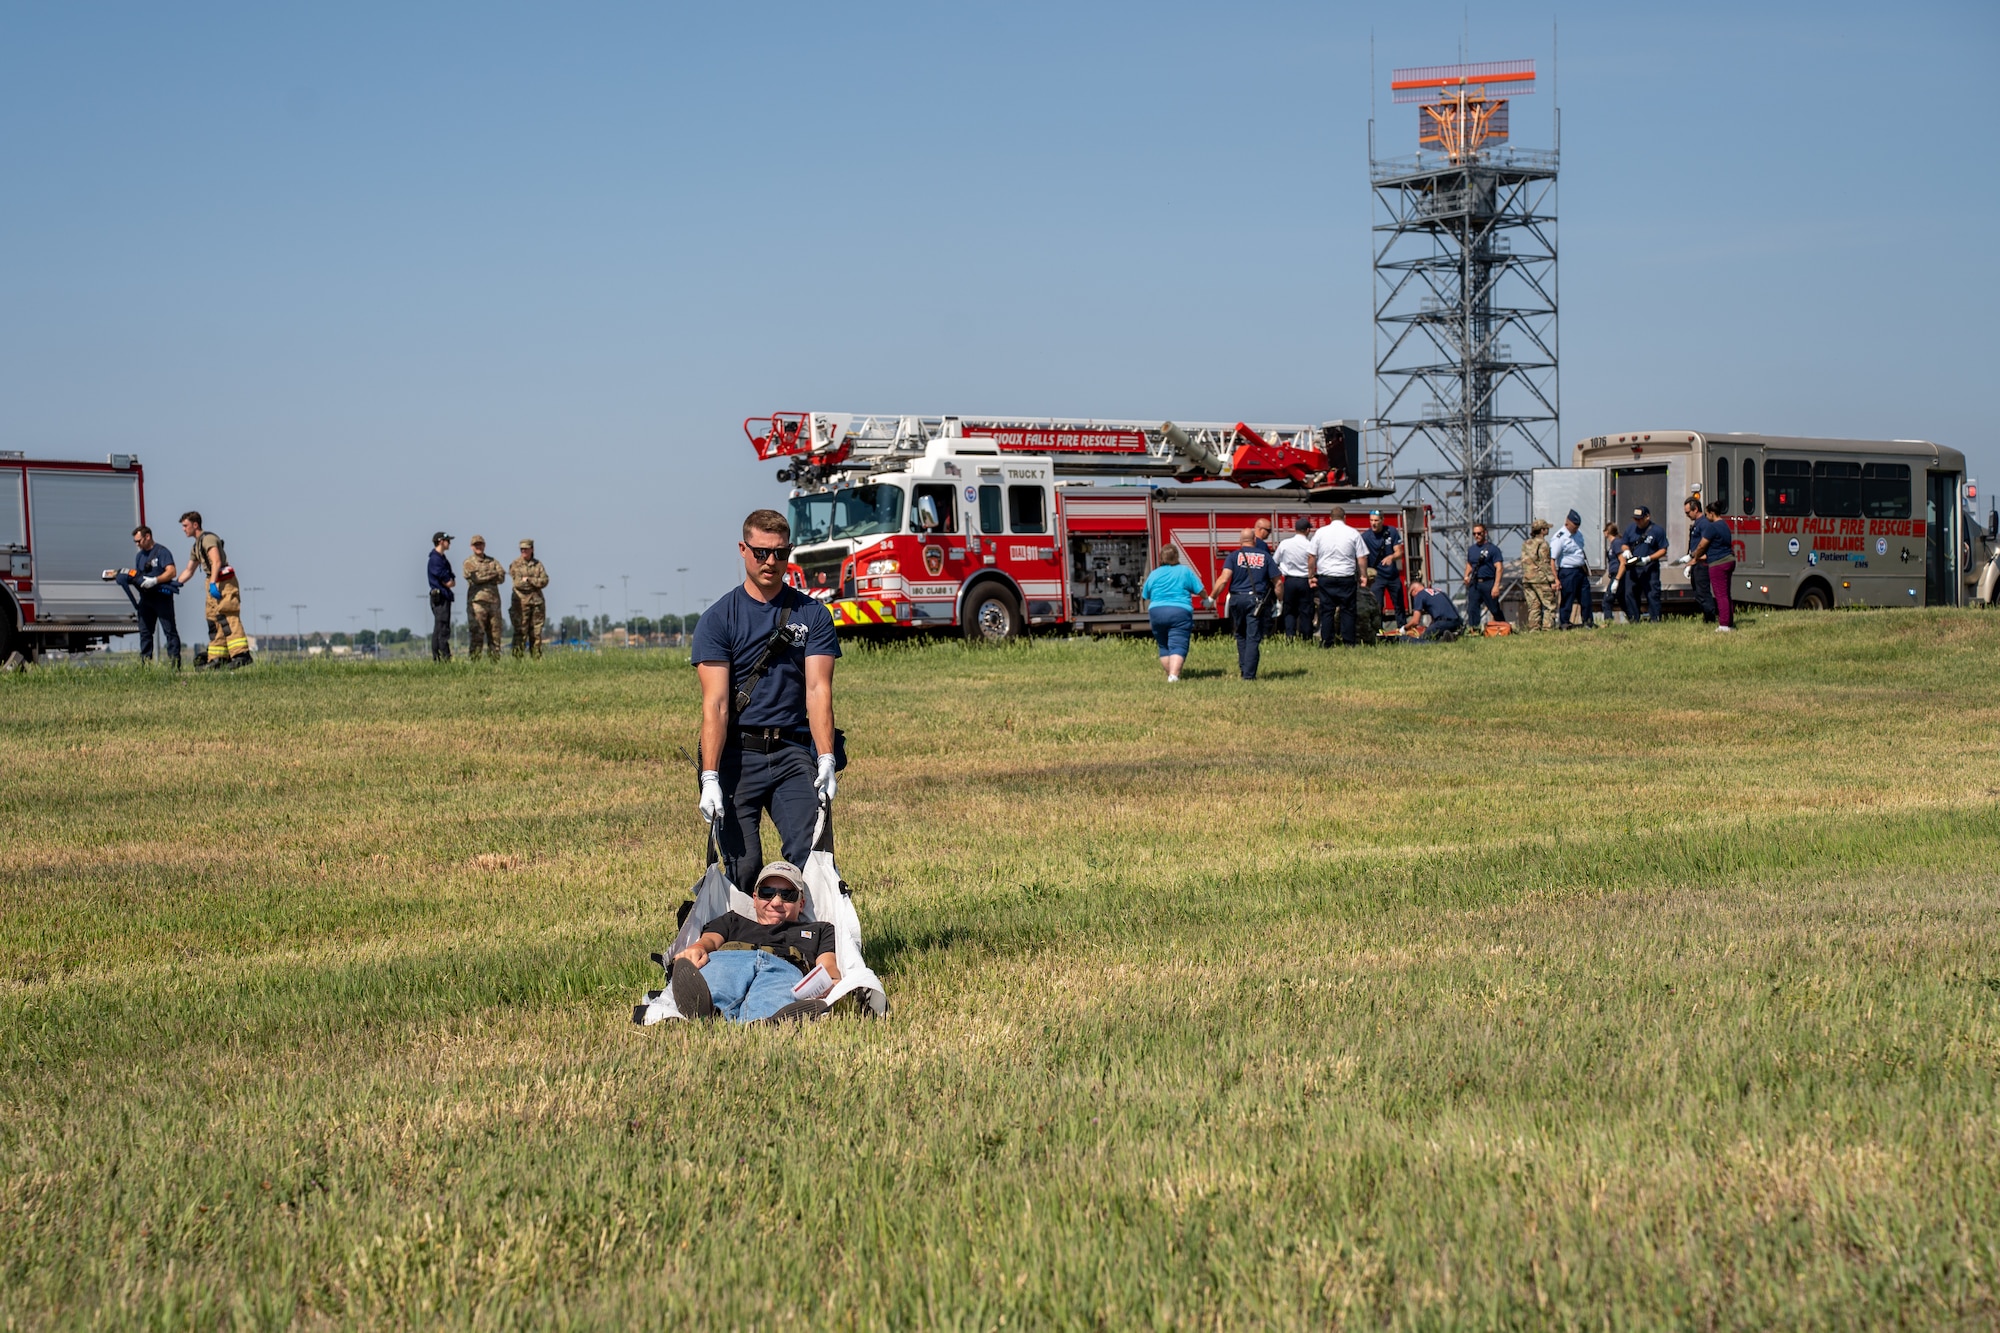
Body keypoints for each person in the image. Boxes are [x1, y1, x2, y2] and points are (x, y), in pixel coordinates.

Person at [692, 509, 841, 892]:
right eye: (760, 552)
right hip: (736, 756)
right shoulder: (719, 618)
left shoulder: (812, 614)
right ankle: (750, 947)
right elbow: (717, 705)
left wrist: (825, 757)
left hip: (792, 751)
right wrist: (710, 777)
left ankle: (811, 948)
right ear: (743, 549)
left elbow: (818, 690)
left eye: (779, 552)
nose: (770, 562)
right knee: (744, 868)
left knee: (812, 858)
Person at [669, 861, 840, 1024]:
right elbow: (709, 941)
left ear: (801, 904)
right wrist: (697, 948)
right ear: (755, 899)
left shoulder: (820, 929)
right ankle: (708, 1013)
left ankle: (762, 1022)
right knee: (717, 989)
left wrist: (832, 981)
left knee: (772, 1002)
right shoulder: (731, 920)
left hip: (784, 967)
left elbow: (828, 964)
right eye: (767, 893)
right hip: (730, 960)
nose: (776, 902)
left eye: (788, 895)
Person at [176, 512, 250, 668]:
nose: (183, 529)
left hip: (222, 581)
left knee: (228, 615)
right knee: (214, 620)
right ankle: (218, 657)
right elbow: (189, 570)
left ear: (195, 525)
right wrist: (175, 584)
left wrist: (213, 583)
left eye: (185, 525)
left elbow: (216, 562)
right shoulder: (196, 546)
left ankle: (241, 654)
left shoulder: (208, 539)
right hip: (212, 580)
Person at [1210, 526, 1273, 680]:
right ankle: (1249, 675)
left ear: (1240, 541)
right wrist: (1280, 599)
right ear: (1254, 540)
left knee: (1240, 635)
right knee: (1253, 637)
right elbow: (1277, 582)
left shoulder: (1233, 557)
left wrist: (1211, 597)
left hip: (1236, 600)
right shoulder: (1265, 556)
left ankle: (1244, 669)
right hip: (1255, 600)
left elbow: (1224, 579)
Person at [1140, 545, 1204, 681]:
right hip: (1179, 611)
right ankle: (1174, 676)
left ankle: (1171, 675)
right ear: (1177, 556)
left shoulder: (1154, 573)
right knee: (1178, 644)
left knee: (1163, 645)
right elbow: (1200, 590)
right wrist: (1207, 599)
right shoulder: (1184, 571)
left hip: (1156, 612)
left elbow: (1145, 594)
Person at [1309, 506, 1369, 647]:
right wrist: (1363, 575)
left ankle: (1327, 642)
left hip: (1326, 577)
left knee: (1327, 611)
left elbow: (1311, 556)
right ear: (1344, 517)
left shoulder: (1320, 533)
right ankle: (1349, 642)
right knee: (1348, 611)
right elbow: (1362, 557)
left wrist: (1311, 575)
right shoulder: (1353, 533)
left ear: (1330, 518)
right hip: (1346, 577)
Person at [123, 525, 181, 666]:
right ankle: (145, 665)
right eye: (135, 542)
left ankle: (174, 665)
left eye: (139, 541)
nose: (137, 544)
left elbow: (172, 572)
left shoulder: (162, 552)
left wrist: (155, 580)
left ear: (147, 536)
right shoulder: (139, 556)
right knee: (145, 633)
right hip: (146, 599)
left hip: (161, 598)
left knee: (169, 631)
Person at [461, 535, 507, 660]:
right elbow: (476, 578)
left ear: (484, 545)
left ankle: (494, 662)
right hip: (477, 604)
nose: (479, 547)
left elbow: (502, 576)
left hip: (494, 603)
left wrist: (487, 575)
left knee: (495, 635)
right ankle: (475, 663)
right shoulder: (468, 562)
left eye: (480, 544)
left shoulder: (492, 561)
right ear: (471, 547)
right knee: (477, 634)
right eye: (476, 545)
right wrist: (493, 574)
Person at [1621, 506, 1668, 622]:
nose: (1637, 521)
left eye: (1640, 519)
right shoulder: (1631, 529)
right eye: (1635, 519)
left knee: (1652, 594)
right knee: (1630, 594)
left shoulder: (1657, 530)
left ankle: (1655, 619)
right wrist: (1626, 550)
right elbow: (1624, 543)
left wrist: (1648, 558)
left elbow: (1663, 549)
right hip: (1633, 569)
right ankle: (1634, 619)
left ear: (1647, 517)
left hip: (1649, 569)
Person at [1550, 509, 1595, 629]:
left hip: (1580, 570)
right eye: (1574, 526)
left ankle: (1588, 621)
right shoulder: (1560, 537)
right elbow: (1552, 560)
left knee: (1585, 597)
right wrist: (1556, 579)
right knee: (1568, 598)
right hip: (1567, 572)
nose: (1576, 528)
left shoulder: (1578, 534)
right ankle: (1564, 622)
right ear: (1567, 523)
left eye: (1578, 526)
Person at [1362, 510, 1406, 628]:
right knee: (1377, 605)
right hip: (1377, 577)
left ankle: (1403, 629)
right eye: (1371, 520)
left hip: (1392, 575)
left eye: (1376, 520)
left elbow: (1399, 552)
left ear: (1382, 520)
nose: (1373, 523)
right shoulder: (1365, 537)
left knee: (1399, 604)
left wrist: (1391, 557)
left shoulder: (1391, 532)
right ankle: (1378, 631)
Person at [1274, 517, 1315, 641]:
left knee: (1289, 610)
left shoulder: (1285, 543)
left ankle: (1290, 636)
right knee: (1306, 611)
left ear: (1295, 529)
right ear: (1307, 530)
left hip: (1289, 581)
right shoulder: (1310, 545)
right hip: (1305, 581)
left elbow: (1275, 561)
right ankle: (1306, 637)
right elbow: (1313, 563)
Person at [1699, 499, 1737, 632]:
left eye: (1706, 514)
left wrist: (1695, 555)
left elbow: (1702, 544)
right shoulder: (1725, 525)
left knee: (1720, 595)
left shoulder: (1712, 527)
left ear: (1711, 513)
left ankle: (1724, 625)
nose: (1706, 517)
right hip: (1729, 560)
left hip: (1718, 563)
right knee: (1726, 593)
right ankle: (1729, 622)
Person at [509, 540, 550, 658]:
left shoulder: (538, 565)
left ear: (532, 549)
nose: (523, 551)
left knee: (536, 633)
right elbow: (518, 584)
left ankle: (536, 659)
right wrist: (535, 582)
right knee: (520, 632)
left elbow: (545, 581)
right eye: (521, 549)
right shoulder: (516, 564)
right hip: (521, 604)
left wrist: (529, 579)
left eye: (526, 549)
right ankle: (517, 660)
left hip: (537, 603)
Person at [1462, 524, 1505, 631]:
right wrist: (1466, 576)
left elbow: (1499, 568)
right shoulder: (1472, 550)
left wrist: (1496, 586)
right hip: (1475, 584)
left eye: (1479, 533)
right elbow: (1469, 564)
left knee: (1494, 609)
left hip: (1488, 582)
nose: (1477, 536)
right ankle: (1474, 630)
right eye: (1474, 534)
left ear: (1485, 533)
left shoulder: (1493, 549)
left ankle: (1504, 628)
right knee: (1472, 609)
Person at [1518, 519, 1558, 631]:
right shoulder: (1543, 544)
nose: (1548, 530)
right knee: (1549, 605)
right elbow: (1544, 563)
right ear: (1542, 530)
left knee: (1533, 606)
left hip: (1527, 579)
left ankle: (1534, 630)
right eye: (1547, 528)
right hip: (1541, 579)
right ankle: (1547, 629)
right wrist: (1552, 580)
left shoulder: (1526, 544)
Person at [1683, 498, 1717, 624]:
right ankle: (1706, 616)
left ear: (1695, 509)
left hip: (1702, 563)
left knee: (1703, 592)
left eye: (1688, 513)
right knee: (1698, 593)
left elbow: (1705, 545)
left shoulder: (1704, 524)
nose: (1687, 515)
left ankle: (1710, 618)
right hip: (1696, 562)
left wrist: (1695, 557)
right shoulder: (1696, 524)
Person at [426, 532, 455, 662]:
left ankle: (441, 657)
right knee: (441, 628)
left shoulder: (442, 558)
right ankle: (442, 657)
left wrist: (450, 581)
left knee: (442, 627)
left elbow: (451, 578)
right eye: (447, 540)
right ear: (441, 541)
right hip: (440, 597)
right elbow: (447, 580)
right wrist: (449, 581)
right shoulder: (435, 559)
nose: (449, 543)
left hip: (445, 596)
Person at [1603, 523, 1630, 622]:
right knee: (1623, 602)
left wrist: (1617, 580)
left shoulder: (1616, 543)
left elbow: (1623, 562)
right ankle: (1634, 619)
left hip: (1618, 575)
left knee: (1607, 601)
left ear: (1607, 532)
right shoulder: (1613, 544)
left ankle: (1608, 622)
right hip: (1615, 575)